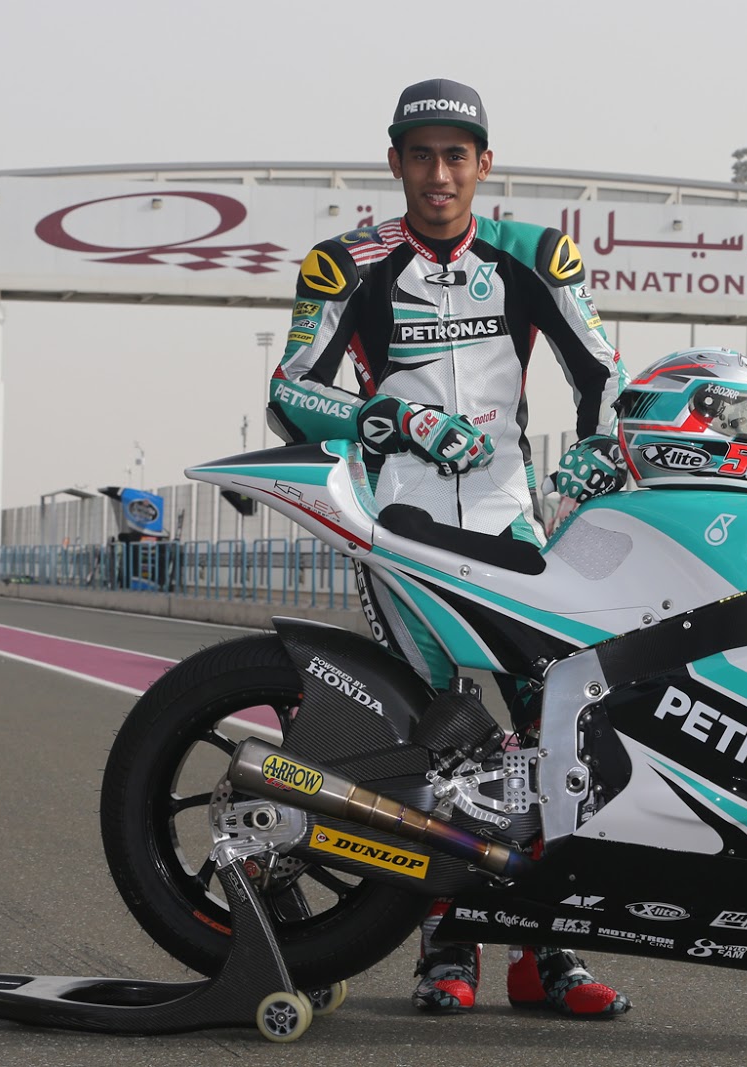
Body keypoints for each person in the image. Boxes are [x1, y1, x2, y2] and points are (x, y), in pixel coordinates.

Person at [265, 78, 630, 1019]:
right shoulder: (343, 263)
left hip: (511, 525)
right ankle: (446, 946)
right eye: (421, 155)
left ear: (484, 164)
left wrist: (597, 454)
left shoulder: (535, 254)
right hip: (399, 527)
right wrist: (395, 417)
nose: (439, 173)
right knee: (435, 738)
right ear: (395, 162)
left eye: (456, 156)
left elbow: (602, 373)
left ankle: (548, 952)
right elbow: (290, 393)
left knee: (553, 732)